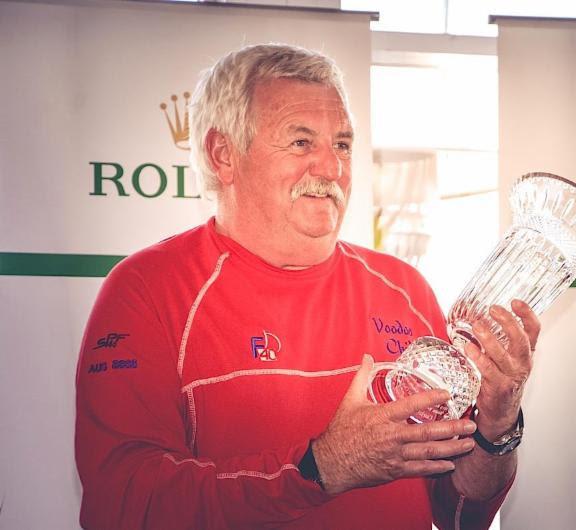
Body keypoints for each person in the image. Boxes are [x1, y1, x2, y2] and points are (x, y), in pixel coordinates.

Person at [75, 43, 541, 530]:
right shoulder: (148, 289)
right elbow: (121, 505)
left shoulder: (404, 287)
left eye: (341, 144)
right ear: (223, 154)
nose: (332, 169)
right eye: (301, 143)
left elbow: (460, 514)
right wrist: (320, 469)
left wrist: (496, 424)